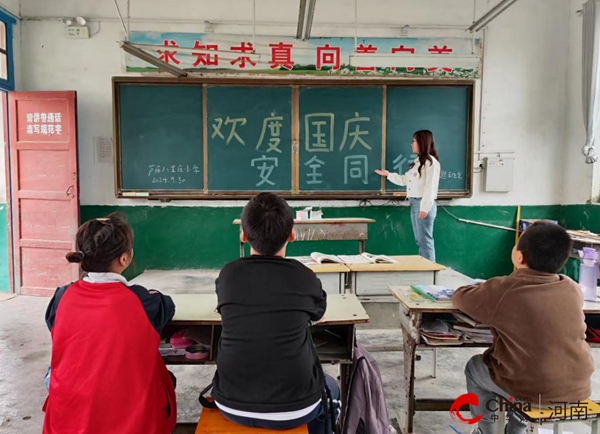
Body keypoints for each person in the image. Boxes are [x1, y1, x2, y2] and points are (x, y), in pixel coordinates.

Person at [212, 192, 340, 434]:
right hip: (296, 408)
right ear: (292, 235)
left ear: (243, 235)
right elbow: (318, 312)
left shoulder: (228, 275)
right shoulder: (304, 276)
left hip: (230, 403)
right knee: (332, 389)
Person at [453, 222, 594, 434]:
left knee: (475, 368)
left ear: (519, 257)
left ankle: (486, 431)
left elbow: (460, 297)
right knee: (525, 368)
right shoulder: (572, 288)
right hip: (578, 387)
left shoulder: (504, 289)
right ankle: (516, 430)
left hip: (530, 389)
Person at [43, 213, 177, 434]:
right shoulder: (144, 300)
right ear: (125, 259)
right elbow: (167, 307)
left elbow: (57, 329)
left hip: (66, 419)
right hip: (134, 423)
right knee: (162, 377)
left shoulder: (61, 296)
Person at [375, 130, 441, 262]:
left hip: (423, 204)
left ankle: (429, 269)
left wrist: (424, 207)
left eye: (414, 141)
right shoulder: (418, 163)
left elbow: (430, 187)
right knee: (420, 240)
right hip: (414, 203)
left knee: (425, 240)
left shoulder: (431, 163)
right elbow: (405, 180)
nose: (412, 144)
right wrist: (388, 175)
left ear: (422, 142)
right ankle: (424, 266)